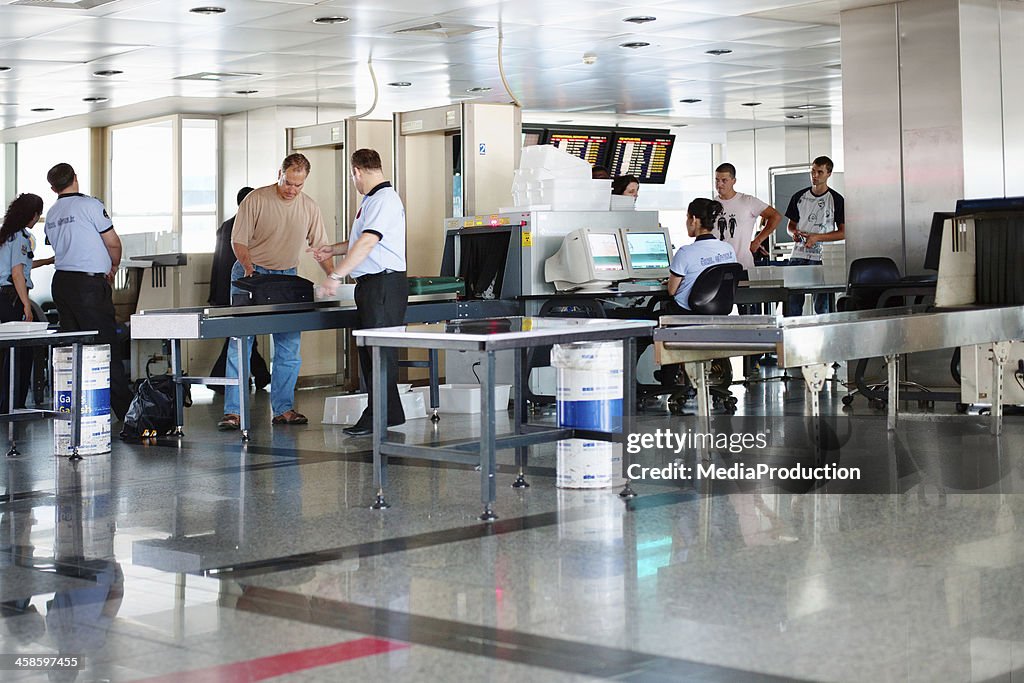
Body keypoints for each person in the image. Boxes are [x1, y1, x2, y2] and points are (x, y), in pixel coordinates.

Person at [218, 153, 334, 431]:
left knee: (289, 345)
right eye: (288, 183)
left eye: (299, 185)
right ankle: (234, 412)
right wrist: (248, 269)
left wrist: (335, 276)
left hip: (287, 277)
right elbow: (239, 240)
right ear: (279, 174)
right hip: (251, 274)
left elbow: (321, 246)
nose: (292, 190)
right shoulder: (256, 200)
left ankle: (283, 409)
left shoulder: (309, 207)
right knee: (241, 343)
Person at [313, 148, 408, 437]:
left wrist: (335, 275)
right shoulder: (374, 200)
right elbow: (362, 239)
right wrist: (334, 248)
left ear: (356, 171)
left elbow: (368, 242)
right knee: (371, 352)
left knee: (378, 352)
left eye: (353, 176)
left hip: (383, 285)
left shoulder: (383, 199)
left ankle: (378, 415)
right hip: (373, 286)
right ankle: (389, 413)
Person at [44, 163, 132, 421]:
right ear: (75, 178)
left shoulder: (52, 213)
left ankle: (80, 409)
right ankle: (127, 414)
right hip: (89, 287)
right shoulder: (91, 205)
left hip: (61, 284)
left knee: (74, 348)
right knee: (106, 346)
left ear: (53, 188)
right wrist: (114, 265)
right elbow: (112, 241)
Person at [208, 186, 270, 393]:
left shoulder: (226, 225)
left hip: (223, 290)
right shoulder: (251, 227)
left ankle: (261, 375)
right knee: (239, 338)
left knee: (242, 336)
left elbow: (217, 263)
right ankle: (219, 379)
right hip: (241, 290)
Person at [0, 194, 53, 412]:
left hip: (2, 297)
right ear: (33, 215)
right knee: (20, 351)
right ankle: (14, 403)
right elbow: (17, 273)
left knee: (4, 351)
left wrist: (49, 261)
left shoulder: (5, 236)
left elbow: (25, 265)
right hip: (11, 297)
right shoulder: (21, 237)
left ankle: (4, 403)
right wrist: (25, 305)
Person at [784, 155, 846, 316]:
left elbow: (843, 232)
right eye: (812, 171)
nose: (815, 175)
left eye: (820, 172)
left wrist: (817, 238)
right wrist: (794, 233)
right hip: (798, 254)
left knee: (822, 305)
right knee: (793, 302)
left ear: (829, 174)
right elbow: (790, 225)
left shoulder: (837, 200)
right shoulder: (799, 197)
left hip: (822, 257)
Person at [667, 198, 737, 312]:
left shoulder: (685, 253)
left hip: (685, 314)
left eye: (687, 217)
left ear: (693, 219)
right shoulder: (728, 249)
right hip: (718, 312)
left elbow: (671, 290)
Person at [713, 163, 782, 272]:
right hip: (717, 267)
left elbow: (775, 216)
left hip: (742, 265)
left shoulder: (747, 201)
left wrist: (757, 241)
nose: (719, 184)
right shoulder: (711, 205)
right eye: (717, 180)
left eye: (724, 180)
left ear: (733, 181)